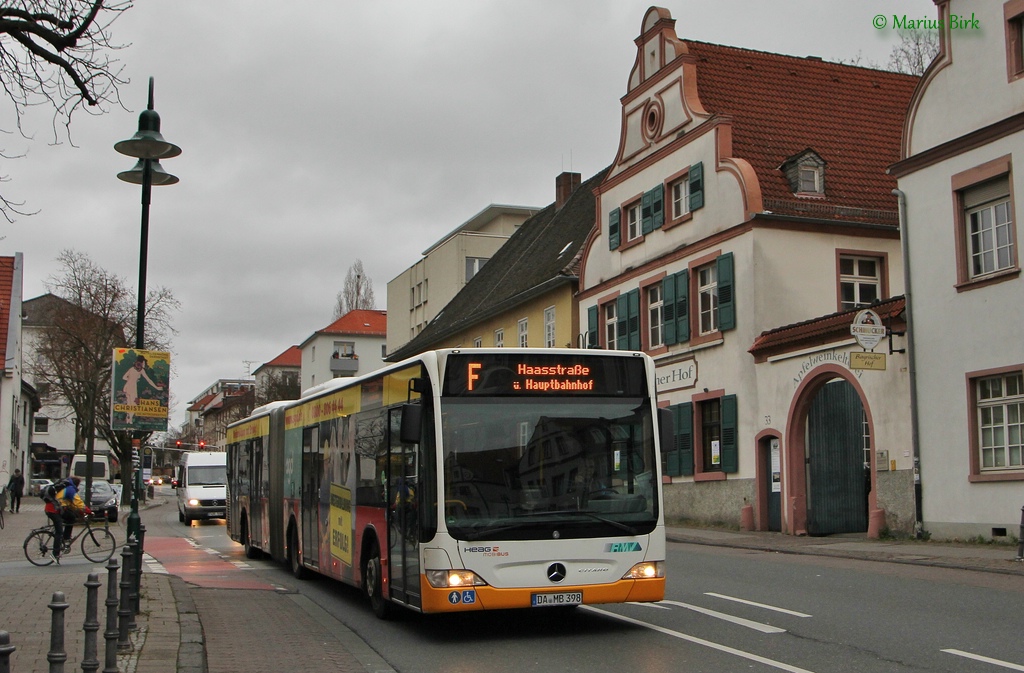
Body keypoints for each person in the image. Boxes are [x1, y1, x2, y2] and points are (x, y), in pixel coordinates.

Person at [44, 476, 91, 564]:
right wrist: (88, 510)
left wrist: (81, 513)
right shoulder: (70, 489)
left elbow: (72, 505)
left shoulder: (67, 488)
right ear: (76, 484)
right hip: (53, 510)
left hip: (55, 509)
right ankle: (55, 554)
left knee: (71, 517)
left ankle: (66, 538)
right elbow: (78, 502)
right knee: (59, 531)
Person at [122, 354, 163, 424]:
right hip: (132, 388)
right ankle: (129, 419)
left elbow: (124, 377)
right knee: (133, 404)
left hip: (127, 387)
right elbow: (148, 380)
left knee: (130, 403)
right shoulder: (140, 370)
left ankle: (128, 418)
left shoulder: (133, 369)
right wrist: (157, 387)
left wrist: (131, 379)